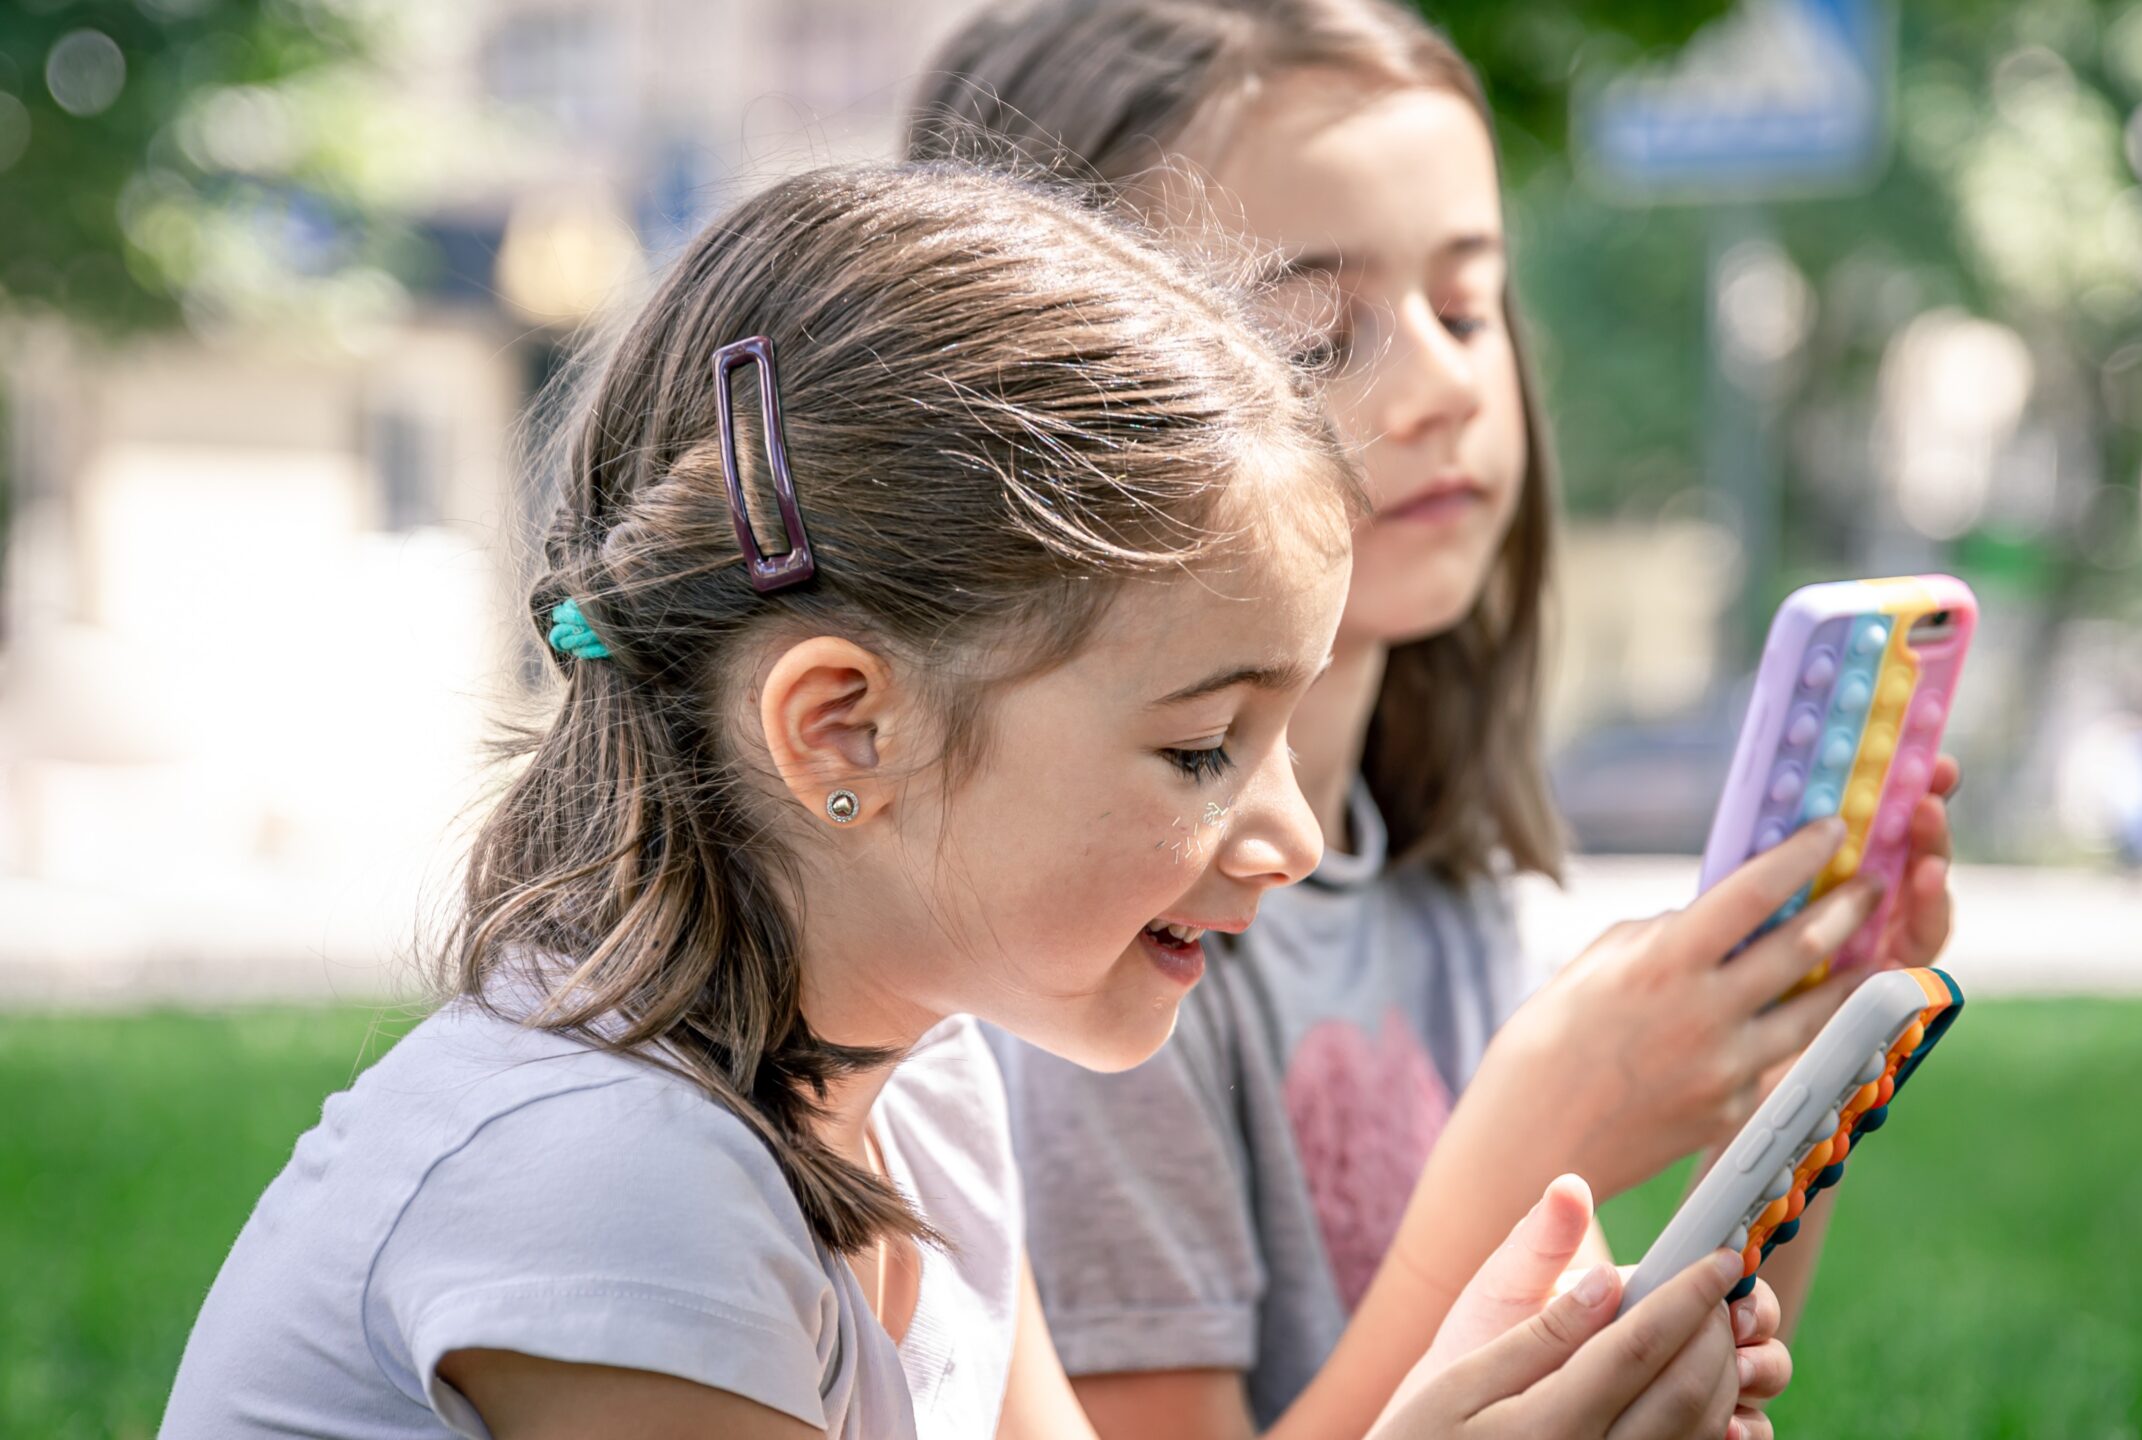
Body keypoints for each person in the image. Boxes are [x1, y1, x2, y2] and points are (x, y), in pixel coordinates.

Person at [159, 161, 1762, 1440]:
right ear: (844, 731)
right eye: (1206, 744)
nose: (1292, 835)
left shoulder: (919, 1097)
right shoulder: (609, 1189)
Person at [908, 6, 1962, 1438]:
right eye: (1317, 335)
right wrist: (1524, 1151)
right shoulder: (1090, 960)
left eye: (1469, 310)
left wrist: (1786, 1078)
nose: (1450, 383)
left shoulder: (1445, 889)